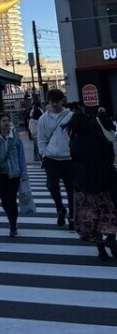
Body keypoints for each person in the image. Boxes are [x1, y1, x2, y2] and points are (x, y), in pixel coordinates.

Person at [67, 110, 117, 261]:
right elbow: (110, 156)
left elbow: (74, 160)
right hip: (104, 182)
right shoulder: (99, 137)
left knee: (91, 218)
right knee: (108, 213)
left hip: (84, 184)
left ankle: (100, 248)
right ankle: (111, 238)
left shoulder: (75, 141)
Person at [36, 88, 74, 229]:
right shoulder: (43, 119)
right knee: (53, 187)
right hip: (51, 158)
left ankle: (73, 215)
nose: (55, 104)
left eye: (57, 101)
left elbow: (74, 137)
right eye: (52, 102)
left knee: (71, 189)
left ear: (62, 101)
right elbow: (41, 138)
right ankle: (60, 209)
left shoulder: (70, 116)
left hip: (68, 158)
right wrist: (44, 153)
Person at [0, 112, 28, 237]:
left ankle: (13, 224)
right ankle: (11, 218)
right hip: (1, 174)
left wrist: (24, 175)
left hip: (14, 174)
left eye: (8, 120)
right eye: (4, 121)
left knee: (11, 199)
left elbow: (21, 158)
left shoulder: (16, 139)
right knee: (3, 200)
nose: (7, 123)